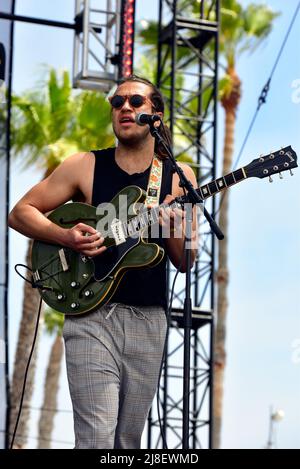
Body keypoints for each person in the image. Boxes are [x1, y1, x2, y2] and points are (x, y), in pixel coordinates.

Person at [8, 75, 198, 449]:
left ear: (155, 116)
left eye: (135, 102)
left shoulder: (179, 177)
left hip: (149, 319)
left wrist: (174, 227)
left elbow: (185, 260)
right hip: (92, 313)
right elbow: (20, 213)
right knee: (96, 438)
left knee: (127, 443)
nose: (125, 108)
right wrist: (64, 236)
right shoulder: (84, 165)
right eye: (118, 102)